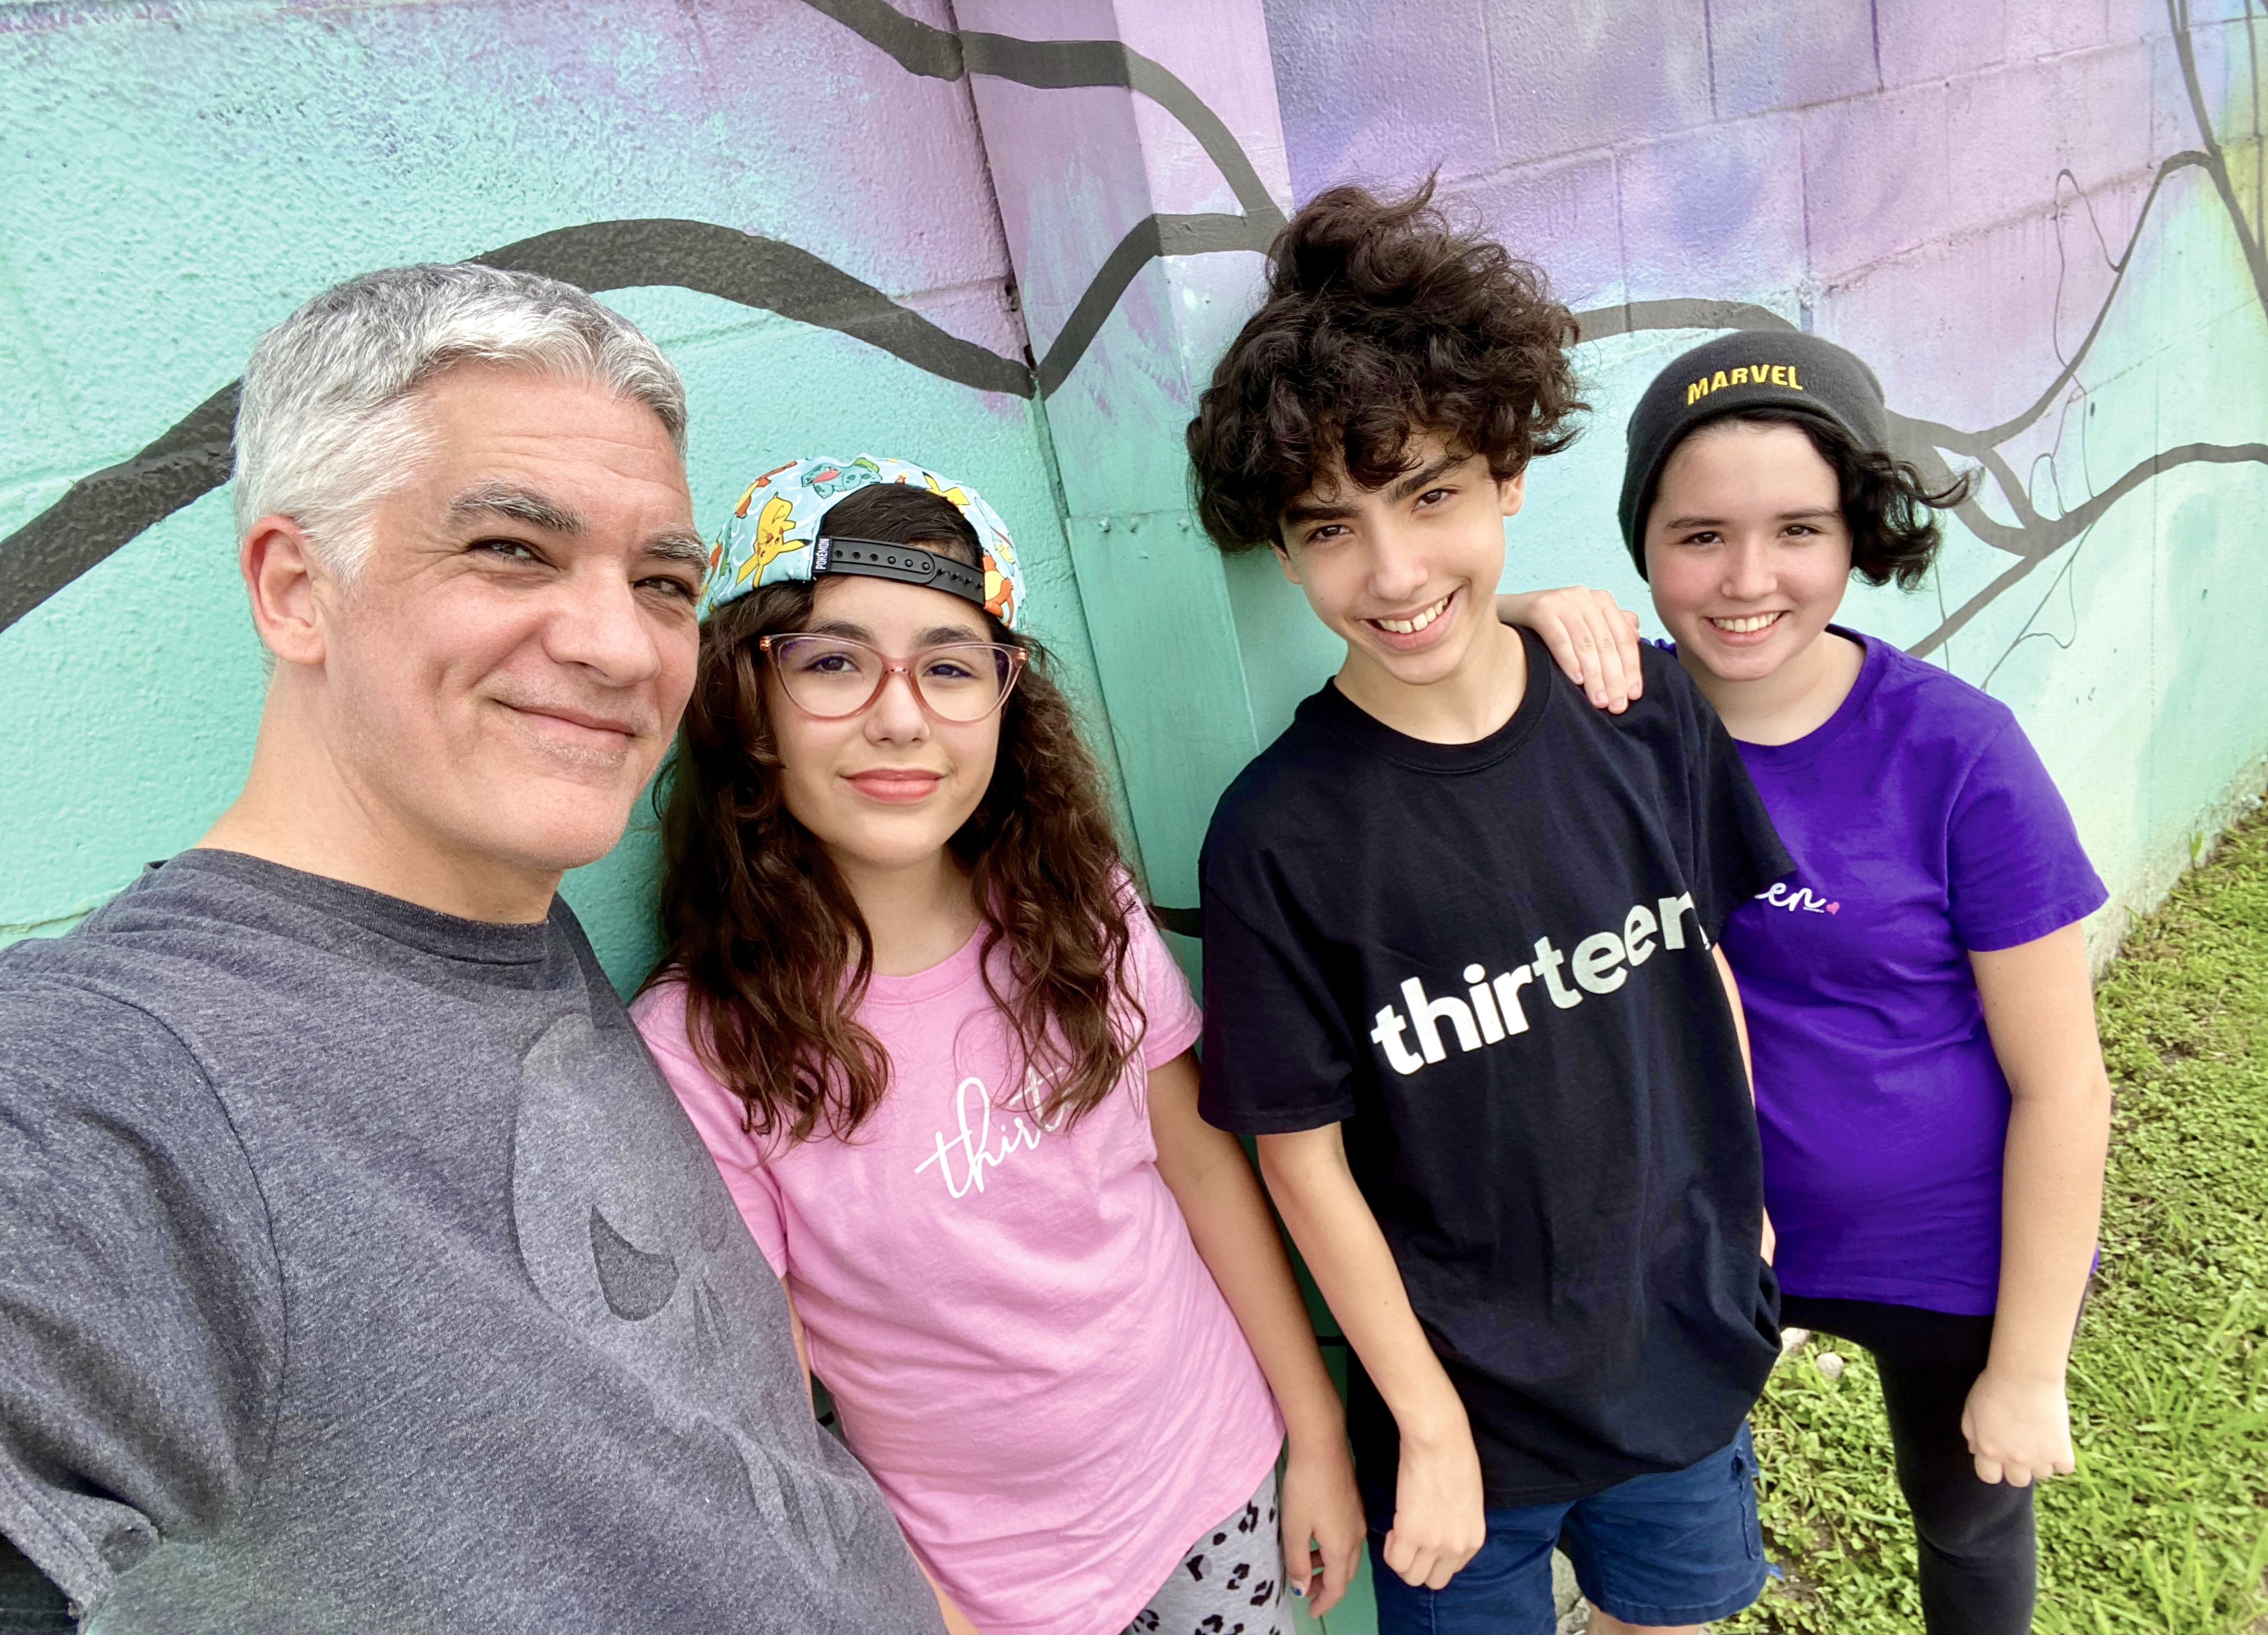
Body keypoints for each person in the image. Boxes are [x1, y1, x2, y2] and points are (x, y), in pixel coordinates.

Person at [0, 266, 941, 1635]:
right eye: (512, 548)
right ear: (294, 587)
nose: (621, 644)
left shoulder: (503, 909)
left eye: (665, 580)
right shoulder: (118, 1077)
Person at [1184, 181, 1790, 1635]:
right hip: (1458, 1418)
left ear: (1510, 471)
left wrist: (1748, 1213)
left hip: (1677, 1355)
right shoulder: (1280, 833)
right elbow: (1297, 1152)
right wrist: (1429, 1421)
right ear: (1283, 546)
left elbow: (1698, 959)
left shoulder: (1638, 711)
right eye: (1331, 525)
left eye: (1431, 495)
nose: (1391, 573)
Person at [630, 457, 1365, 1635]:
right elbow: (772, 1398)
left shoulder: (1079, 909)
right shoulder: (701, 1049)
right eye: (831, 659)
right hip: (989, 1596)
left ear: (1006, 701)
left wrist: (1315, 1431)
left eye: (952, 664)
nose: (902, 712)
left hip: (1216, 1481)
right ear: (746, 709)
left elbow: (1201, 1168)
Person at [1618, 329, 2113, 1635]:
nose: (1747, 578)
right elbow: (1436, 652)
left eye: (1797, 528)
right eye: (1699, 534)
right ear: (1645, 542)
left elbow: (2063, 1083)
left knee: (1967, 1514)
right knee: (1657, 1535)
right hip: (1714, 1236)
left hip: (1942, 1245)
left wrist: (2030, 1363)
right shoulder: (1613, 730)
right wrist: (1517, 609)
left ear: (1857, 535)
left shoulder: (1958, 752)